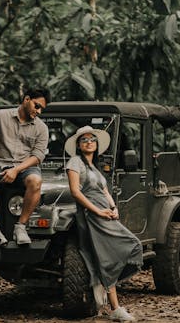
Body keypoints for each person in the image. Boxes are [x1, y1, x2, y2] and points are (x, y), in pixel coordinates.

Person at [65, 126, 143, 322]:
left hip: (106, 213)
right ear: (78, 145)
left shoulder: (95, 167)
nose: (89, 142)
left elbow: (106, 192)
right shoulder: (75, 162)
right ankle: (115, 307)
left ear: (97, 144)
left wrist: (114, 207)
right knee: (108, 255)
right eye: (84, 140)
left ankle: (107, 292)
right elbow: (75, 192)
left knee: (130, 246)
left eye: (92, 139)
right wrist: (97, 211)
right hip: (91, 215)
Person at [0, 88, 50, 246]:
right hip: (0, 165)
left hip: (26, 168)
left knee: (36, 181)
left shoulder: (41, 128)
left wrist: (16, 170)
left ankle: (20, 227)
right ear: (27, 99)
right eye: (37, 106)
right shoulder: (2, 116)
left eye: (42, 109)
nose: (39, 111)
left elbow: (37, 157)